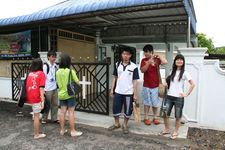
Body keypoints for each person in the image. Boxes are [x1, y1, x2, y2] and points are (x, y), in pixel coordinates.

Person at [159, 54, 195, 139]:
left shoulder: (185, 73)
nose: (179, 61)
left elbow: (192, 84)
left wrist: (186, 94)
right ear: (175, 61)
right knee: (165, 114)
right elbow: (169, 83)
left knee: (178, 116)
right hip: (169, 96)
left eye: (181, 60)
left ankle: (176, 131)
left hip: (179, 98)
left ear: (183, 62)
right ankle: (167, 129)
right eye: (177, 59)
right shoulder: (172, 71)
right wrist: (165, 84)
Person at [109, 48, 139, 134]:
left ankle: (125, 125)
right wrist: (112, 90)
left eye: (127, 54)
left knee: (128, 110)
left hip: (128, 93)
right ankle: (116, 124)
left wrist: (135, 94)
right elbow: (115, 77)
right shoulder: (117, 64)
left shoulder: (134, 67)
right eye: (124, 54)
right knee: (115, 108)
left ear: (130, 56)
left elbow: (135, 81)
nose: (125, 56)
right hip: (118, 91)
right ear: (121, 55)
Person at [56, 53, 83, 137]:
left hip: (61, 94)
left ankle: (62, 130)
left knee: (62, 112)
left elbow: (57, 83)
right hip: (70, 95)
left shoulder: (57, 72)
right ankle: (73, 131)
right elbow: (78, 82)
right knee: (71, 112)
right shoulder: (71, 71)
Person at [140, 44, 167, 125]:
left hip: (155, 85)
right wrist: (149, 62)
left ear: (151, 52)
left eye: (147, 52)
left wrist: (159, 55)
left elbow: (165, 62)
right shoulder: (143, 60)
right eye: (145, 52)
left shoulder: (157, 60)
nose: (145, 54)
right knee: (146, 102)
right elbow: (142, 70)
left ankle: (155, 117)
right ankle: (146, 117)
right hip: (146, 85)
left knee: (155, 103)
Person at [26, 58, 46, 139]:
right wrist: (43, 101)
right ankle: (37, 134)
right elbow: (41, 89)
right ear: (40, 65)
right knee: (36, 116)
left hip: (30, 96)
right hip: (36, 97)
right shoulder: (41, 74)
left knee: (35, 114)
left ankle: (36, 132)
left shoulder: (30, 73)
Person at [42, 51, 59, 124]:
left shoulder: (55, 66)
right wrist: (43, 89)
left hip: (54, 87)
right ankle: (44, 118)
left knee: (55, 104)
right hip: (47, 88)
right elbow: (43, 78)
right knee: (47, 104)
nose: (54, 58)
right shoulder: (45, 66)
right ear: (48, 57)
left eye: (55, 56)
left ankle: (54, 118)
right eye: (52, 56)